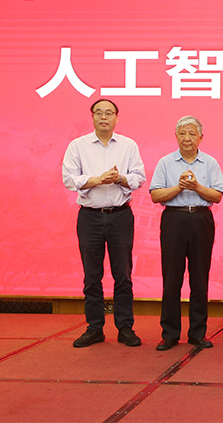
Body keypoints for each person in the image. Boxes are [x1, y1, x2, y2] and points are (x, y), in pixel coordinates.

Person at [62, 99, 146, 348]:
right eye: (98, 113)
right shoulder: (78, 146)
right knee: (92, 275)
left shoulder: (129, 145)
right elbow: (69, 179)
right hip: (90, 217)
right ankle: (94, 328)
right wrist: (98, 179)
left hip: (120, 215)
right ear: (92, 117)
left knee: (123, 275)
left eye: (109, 113)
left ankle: (125, 327)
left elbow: (139, 178)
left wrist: (119, 178)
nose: (103, 117)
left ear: (116, 118)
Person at [150, 116, 223, 351]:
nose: (187, 138)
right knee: (171, 278)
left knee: (199, 278)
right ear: (176, 136)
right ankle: (170, 333)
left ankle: (197, 333)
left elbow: (217, 196)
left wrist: (196, 187)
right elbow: (155, 196)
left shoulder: (210, 163)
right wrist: (179, 187)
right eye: (183, 133)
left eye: (192, 133)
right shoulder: (165, 162)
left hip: (201, 219)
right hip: (173, 219)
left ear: (200, 137)